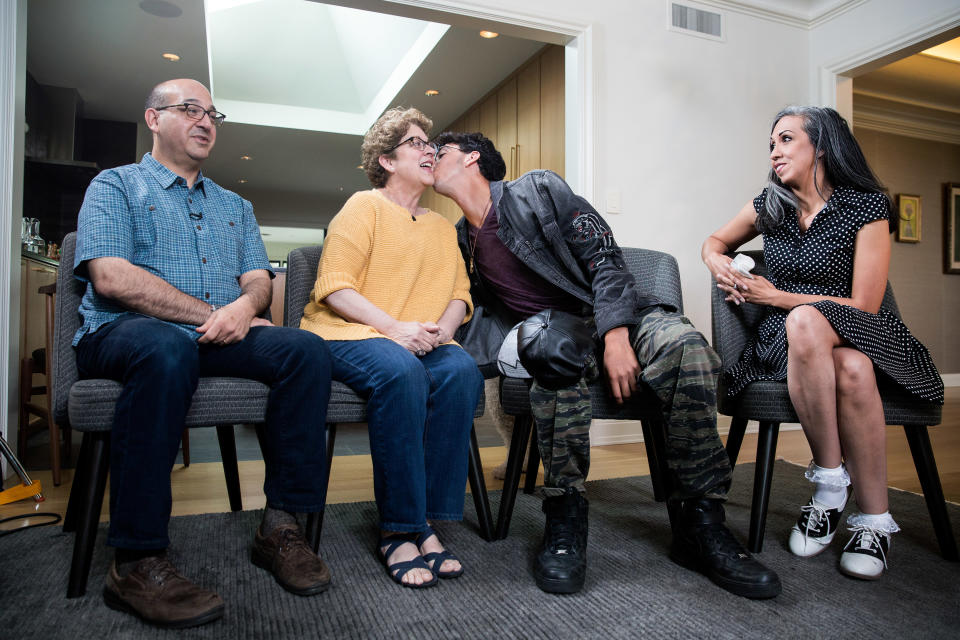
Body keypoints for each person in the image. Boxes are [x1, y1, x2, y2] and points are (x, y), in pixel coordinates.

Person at [432, 132, 781, 599]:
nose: (429, 159)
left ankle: (701, 524)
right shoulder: (460, 240)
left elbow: (605, 257)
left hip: (621, 316)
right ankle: (565, 518)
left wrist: (616, 335)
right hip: (558, 337)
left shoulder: (535, 189)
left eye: (441, 152)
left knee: (689, 351)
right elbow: (475, 311)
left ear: (472, 158)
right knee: (553, 359)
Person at [74, 79, 334, 629]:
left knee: (305, 350)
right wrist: (211, 314)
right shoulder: (116, 186)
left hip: (217, 334)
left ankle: (281, 527)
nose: (205, 121)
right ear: (153, 118)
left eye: (211, 112)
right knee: (166, 348)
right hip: (125, 332)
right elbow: (110, 276)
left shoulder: (235, 205)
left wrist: (243, 309)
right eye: (189, 109)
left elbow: (258, 280)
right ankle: (136, 561)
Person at [702, 106, 944, 580]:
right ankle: (854, 501)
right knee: (832, 350)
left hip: (861, 330)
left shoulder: (867, 206)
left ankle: (838, 492)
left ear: (823, 147)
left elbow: (864, 306)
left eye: (787, 139)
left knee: (822, 332)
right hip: (788, 342)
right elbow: (713, 240)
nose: (775, 150)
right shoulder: (771, 204)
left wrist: (778, 296)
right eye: (772, 142)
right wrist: (719, 264)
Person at [299, 108, 483, 589]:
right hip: (347, 333)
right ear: (386, 159)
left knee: (460, 369)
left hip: (418, 336)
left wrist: (442, 332)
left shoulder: (444, 227)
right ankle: (400, 528)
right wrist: (395, 329)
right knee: (402, 372)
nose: (430, 150)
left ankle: (429, 519)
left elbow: (459, 294)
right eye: (417, 143)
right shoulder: (364, 206)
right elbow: (334, 286)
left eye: (431, 143)